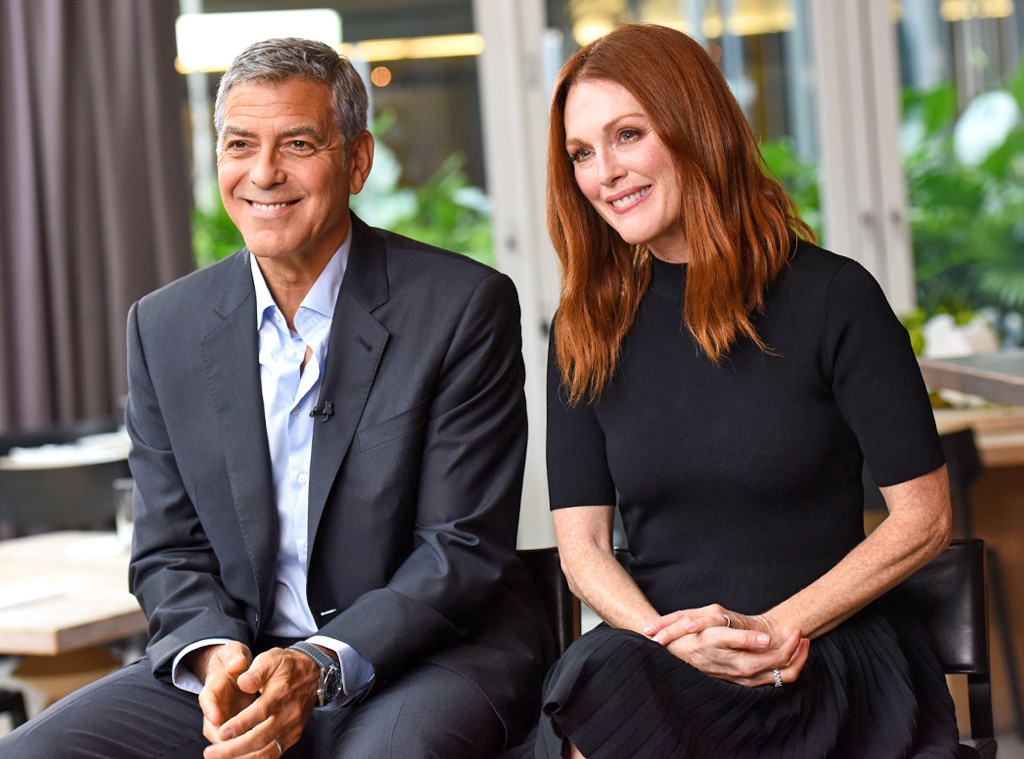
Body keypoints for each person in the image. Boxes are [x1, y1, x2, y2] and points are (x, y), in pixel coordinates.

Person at [1, 37, 550, 759]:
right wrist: (213, 655)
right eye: (239, 144)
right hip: (246, 663)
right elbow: (168, 549)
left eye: (297, 143)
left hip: (427, 658)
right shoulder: (164, 326)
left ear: (357, 161)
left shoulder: (461, 307)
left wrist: (320, 663)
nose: (264, 173)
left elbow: (460, 550)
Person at [534, 23, 959, 759]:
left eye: (628, 135)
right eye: (581, 153)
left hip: (821, 652)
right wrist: (672, 642)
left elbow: (923, 518)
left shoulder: (834, 297)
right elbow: (583, 551)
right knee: (603, 688)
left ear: (694, 125)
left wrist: (770, 630)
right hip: (658, 657)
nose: (604, 172)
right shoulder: (585, 330)